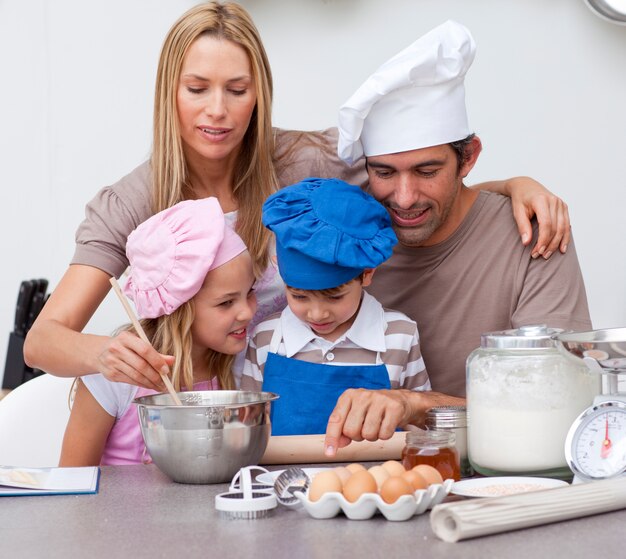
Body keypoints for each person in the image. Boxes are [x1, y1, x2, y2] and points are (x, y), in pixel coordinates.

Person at [24, 1, 571, 392]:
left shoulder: (307, 163)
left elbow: (411, 179)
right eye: (197, 89)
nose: (217, 110)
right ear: (170, 90)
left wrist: (513, 186)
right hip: (197, 402)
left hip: (305, 394)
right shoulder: (132, 201)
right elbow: (42, 340)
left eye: (237, 90)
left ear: (259, 93)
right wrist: (104, 354)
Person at [323, 20, 592, 456]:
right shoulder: (340, 235)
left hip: (494, 473)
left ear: (469, 158)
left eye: (427, 172)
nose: (404, 199)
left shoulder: (534, 236)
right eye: (384, 172)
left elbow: (552, 405)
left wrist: (413, 405)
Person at [59, 198, 256, 466]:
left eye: (250, 292)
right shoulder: (115, 377)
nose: (247, 312)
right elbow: (73, 482)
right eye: (226, 302)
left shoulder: (236, 366)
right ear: (179, 309)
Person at [241, 177, 431, 435]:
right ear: (279, 269)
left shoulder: (400, 335)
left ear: (367, 274)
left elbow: (422, 427)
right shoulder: (266, 337)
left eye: (334, 297)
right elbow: (248, 430)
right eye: (299, 296)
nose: (317, 313)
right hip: (282, 476)